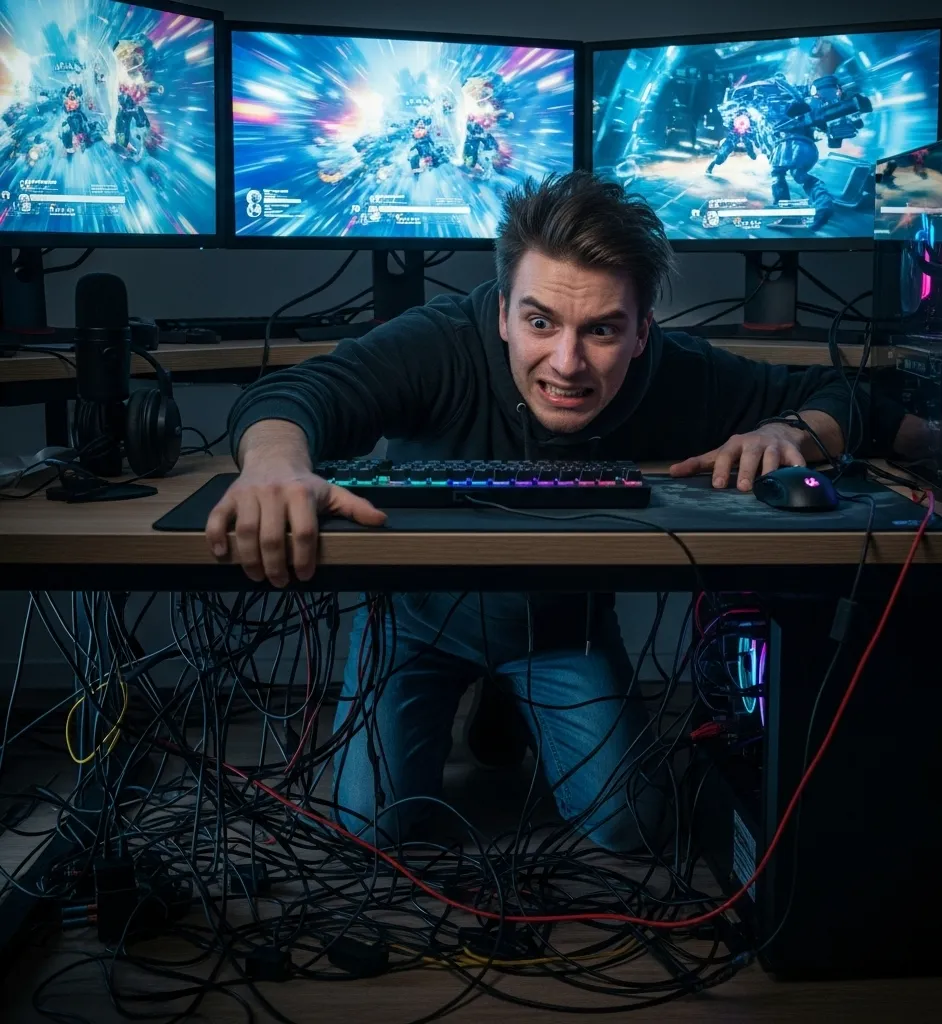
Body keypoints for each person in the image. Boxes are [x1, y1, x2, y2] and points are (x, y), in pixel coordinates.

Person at [206, 171, 859, 852]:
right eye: (539, 322)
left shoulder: (674, 371)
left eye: (602, 330)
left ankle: (509, 704)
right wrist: (276, 465)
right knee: (368, 827)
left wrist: (792, 431)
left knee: (630, 824)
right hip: (415, 625)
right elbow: (297, 393)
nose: (567, 363)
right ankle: (492, 701)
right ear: (500, 312)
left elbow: (836, 392)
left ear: (641, 335)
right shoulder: (440, 342)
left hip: (556, 630)